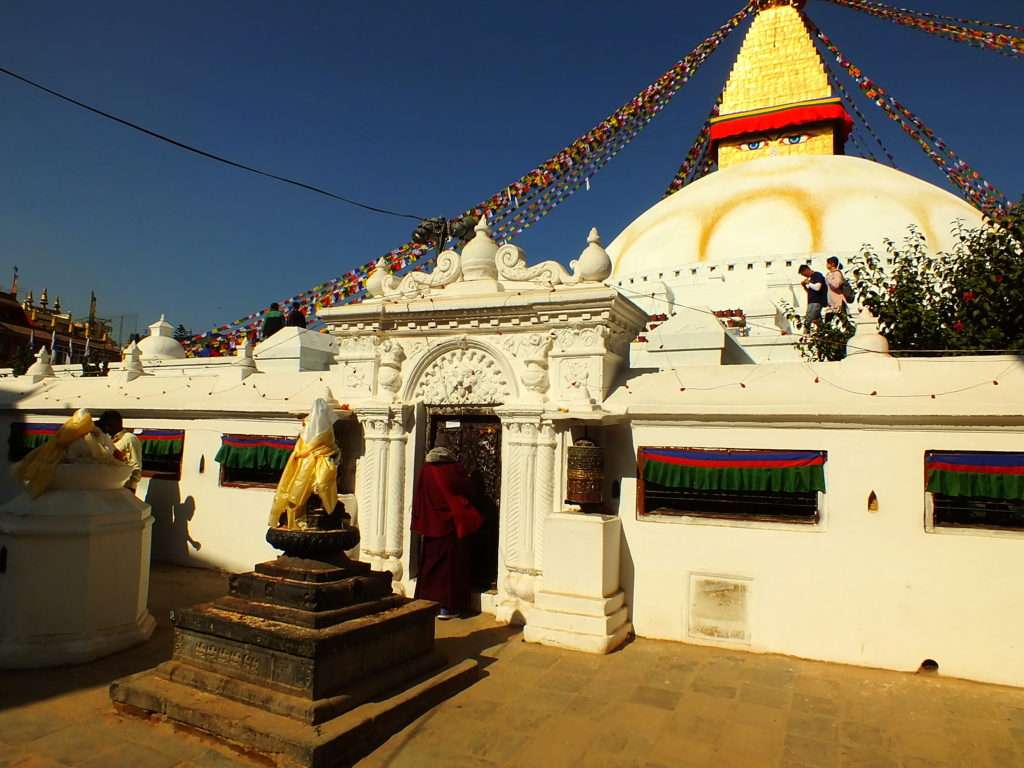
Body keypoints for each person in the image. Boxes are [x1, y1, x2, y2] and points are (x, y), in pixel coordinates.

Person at [411, 446, 483, 619]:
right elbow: (467, 490)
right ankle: (447, 606)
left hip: (430, 524)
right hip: (451, 526)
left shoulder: (426, 470)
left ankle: (426, 603)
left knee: (430, 566)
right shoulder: (454, 469)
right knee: (450, 568)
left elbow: (420, 495)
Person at [97, 410, 143, 493]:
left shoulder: (129, 438)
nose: (107, 428)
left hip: (125, 488)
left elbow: (135, 466)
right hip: (109, 487)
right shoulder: (108, 439)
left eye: (109, 425)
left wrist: (131, 487)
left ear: (117, 423)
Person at [798, 264, 827, 328]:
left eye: (804, 274)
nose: (805, 276)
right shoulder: (811, 278)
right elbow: (809, 292)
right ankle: (825, 332)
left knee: (808, 319)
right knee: (817, 320)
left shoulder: (817, 275)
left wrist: (808, 283)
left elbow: (817, 288)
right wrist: (804, 286)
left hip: (816, 301)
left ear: (807, 270)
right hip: (812, 301)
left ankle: (806, 335)